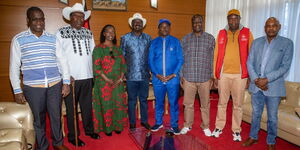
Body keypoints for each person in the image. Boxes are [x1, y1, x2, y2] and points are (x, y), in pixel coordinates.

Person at [9, 7, 70, 150]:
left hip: (55, 84)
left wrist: (66, 82)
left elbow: (63, 61)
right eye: (35, 19)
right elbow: (14, 66)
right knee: (38, 119)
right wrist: (17, 90)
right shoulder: (18, 39)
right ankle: (42, 146)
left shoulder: (52, 38)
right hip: (33, 87)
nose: (39, 22)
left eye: (41, 19)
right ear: (28, 20)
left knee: (56, 116)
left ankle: (58, 143)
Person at [242, 17, 293, 150]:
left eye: (274, 25)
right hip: (256, 85)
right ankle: (253, 136)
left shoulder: (287, 43)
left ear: (279, 26)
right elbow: (249, 62)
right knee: (256, 113)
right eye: (268, 26)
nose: (271, 28)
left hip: (273, 87)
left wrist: (267, 79)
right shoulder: (257, 42)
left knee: (272, 117)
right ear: (265, 28)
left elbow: (285, 67)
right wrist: (256, 80)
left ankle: (271, 140)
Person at [56, 3, 100, 147]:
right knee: (72, 109)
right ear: (70, 18)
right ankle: (73, 136)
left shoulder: (89, 33)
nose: (79, 19)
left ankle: (89, 130)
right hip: (72, 79)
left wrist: (95, 73)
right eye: (76, 16)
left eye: (82, 17)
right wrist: (66, 76)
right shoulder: (61, 32)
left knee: (87, 106)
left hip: (88, 76)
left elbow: (94, 54)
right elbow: (57, 56)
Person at [212, 9, 254, 141]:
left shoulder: (247, 33)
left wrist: (250, 76)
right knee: (221, 103)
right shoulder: (221, 33)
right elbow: (216, 55)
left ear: (240, 19)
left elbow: (252, 56)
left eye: (236, 18)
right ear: (228, 20)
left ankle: (236, 130)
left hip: (240, 76)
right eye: (231, 18)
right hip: (224, 74)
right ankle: (219, 127)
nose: (233, 20)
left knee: (238, 105)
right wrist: (215, 75)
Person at [180, 14, 215, 136]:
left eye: (199, 22)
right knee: (188, 104)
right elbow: (181, 59)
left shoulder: (210, 39)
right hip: (189, 77)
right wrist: (181, 75)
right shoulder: (185, 39)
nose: (197, 24)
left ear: (203, 23)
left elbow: (212, 59)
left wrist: (212, 76)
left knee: (205, 104)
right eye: (195, 22)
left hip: (204, 78)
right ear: (192, 24)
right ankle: (187, 125)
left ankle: (205, 126)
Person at [148, 19, 184, 135]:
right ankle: (159, 122)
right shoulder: (154, 42)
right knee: (159, 101)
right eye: (162, 27)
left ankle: (174, 125)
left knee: (173, 102)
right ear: (159, 29)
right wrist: (157, 74)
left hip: (172, 79)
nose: (164, 29)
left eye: (167, 26)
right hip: (157, 79)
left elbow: (180, 60)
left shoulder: (176, 42)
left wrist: (173, 74)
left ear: (169, 28)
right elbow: (150, 60)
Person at [93, 24, 127, 136]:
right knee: (106, 105)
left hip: (118, 83)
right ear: (104, 34)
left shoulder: (118, 49)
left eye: (113, 32)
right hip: (104, 83)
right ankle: (107, 128)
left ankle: (118, 126)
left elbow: (123, 65)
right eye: (108, 31)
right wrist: (107, 80)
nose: (110, 34)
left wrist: (121, 78)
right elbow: (97, 68)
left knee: (118, 104)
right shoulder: (98, 49)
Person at [120, 13, 152, 131]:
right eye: (135, 22)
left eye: (139, 22)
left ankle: (144, 121)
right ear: (131, 25)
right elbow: (122, 57)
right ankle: (132, 123)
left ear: (142, 25)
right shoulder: (125, 38)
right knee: (131, 101)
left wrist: (151, 72)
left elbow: (150, 57)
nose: (137, 24)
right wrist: (123, 73)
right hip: (131, 76)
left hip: (144, 75)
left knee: (143, 100)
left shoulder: (148, 38)